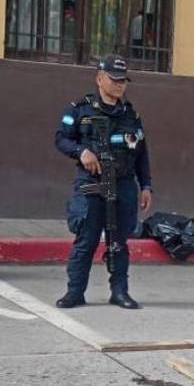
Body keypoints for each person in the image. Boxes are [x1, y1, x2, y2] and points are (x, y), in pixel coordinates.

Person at [54, 54, 153, 310]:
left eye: (124, 81)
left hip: (124, 183)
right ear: (99, 78)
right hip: (92, 183)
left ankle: (119, 292)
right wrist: (81, 152)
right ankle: (74, 292)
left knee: (119, 240)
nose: (120, 85)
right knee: (86, 240)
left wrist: (146, 186)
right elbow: (61, 139)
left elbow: (142, 153)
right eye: (114, 79)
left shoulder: (132, 115)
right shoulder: (80, 109)